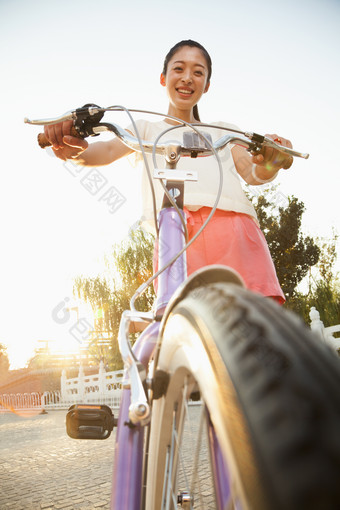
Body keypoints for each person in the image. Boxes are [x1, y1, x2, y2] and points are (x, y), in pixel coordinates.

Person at [43, 40, 293, 304]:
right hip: (175, 235)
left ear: (206, 85)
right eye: (179, 69)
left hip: (235, 231)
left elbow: (254, 173)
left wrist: (272, 161)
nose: (187, 78)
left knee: (255, 325)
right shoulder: (145, 130)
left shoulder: (224, 131)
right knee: (182, 322)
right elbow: (102, 152)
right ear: (163, 78)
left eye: (198, 72)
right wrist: (72, 150)